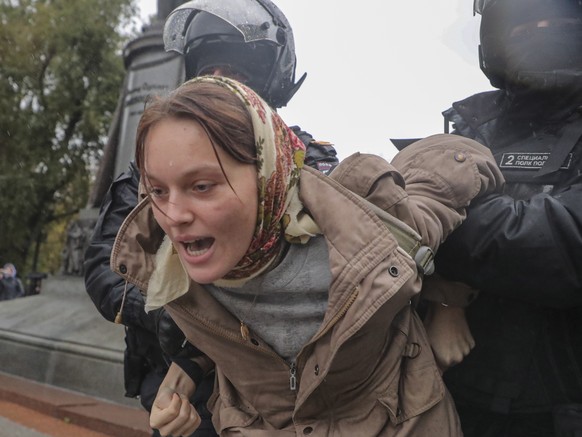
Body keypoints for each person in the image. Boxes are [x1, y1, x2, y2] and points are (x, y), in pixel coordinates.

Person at [109, 75, 504, 436]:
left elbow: (457, 159)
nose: (173, 216)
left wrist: (450, 298)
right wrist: (188, 369)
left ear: (267, 173)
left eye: (201, 186)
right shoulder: (169, 264)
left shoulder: (366, 219)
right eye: (158, 191)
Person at [83, 1, 337, 436]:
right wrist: (170, 319)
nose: (220, 84)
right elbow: (104, 265)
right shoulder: (148, 170)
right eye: (211, 72)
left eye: (235, 75)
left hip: (279, 383)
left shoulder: (307, 159)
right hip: (177, 385)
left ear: (268, 83)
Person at [427, 0, 582, 435]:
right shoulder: (471, 125)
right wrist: (444, 300)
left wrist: (441, 224)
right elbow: (388, 228)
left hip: (564, 406)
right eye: (524, 23)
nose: (542, 30)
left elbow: (564, 243)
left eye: (559, 21)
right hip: (458, 393)